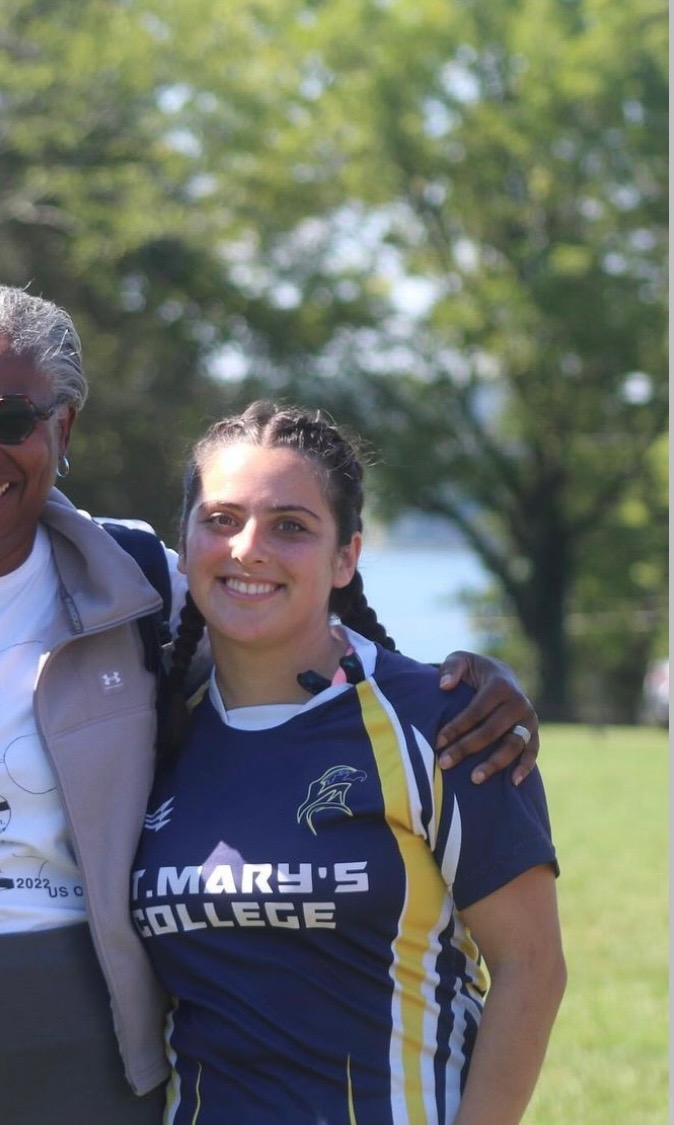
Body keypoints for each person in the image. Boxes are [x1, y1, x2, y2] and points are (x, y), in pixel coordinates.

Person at [0, 280, 542, 1125]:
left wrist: (463, 684)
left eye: (12, 418)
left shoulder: (139, 587)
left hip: (91, 1082)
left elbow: (285, 633)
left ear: (62, 430)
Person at [131, 401, 565, 1124]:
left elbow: (533, 968)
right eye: (221, 519)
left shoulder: (447, 721)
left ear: (346, 556)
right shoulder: (153, 732)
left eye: (290, 526)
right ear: (183, 543)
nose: (249, 548)